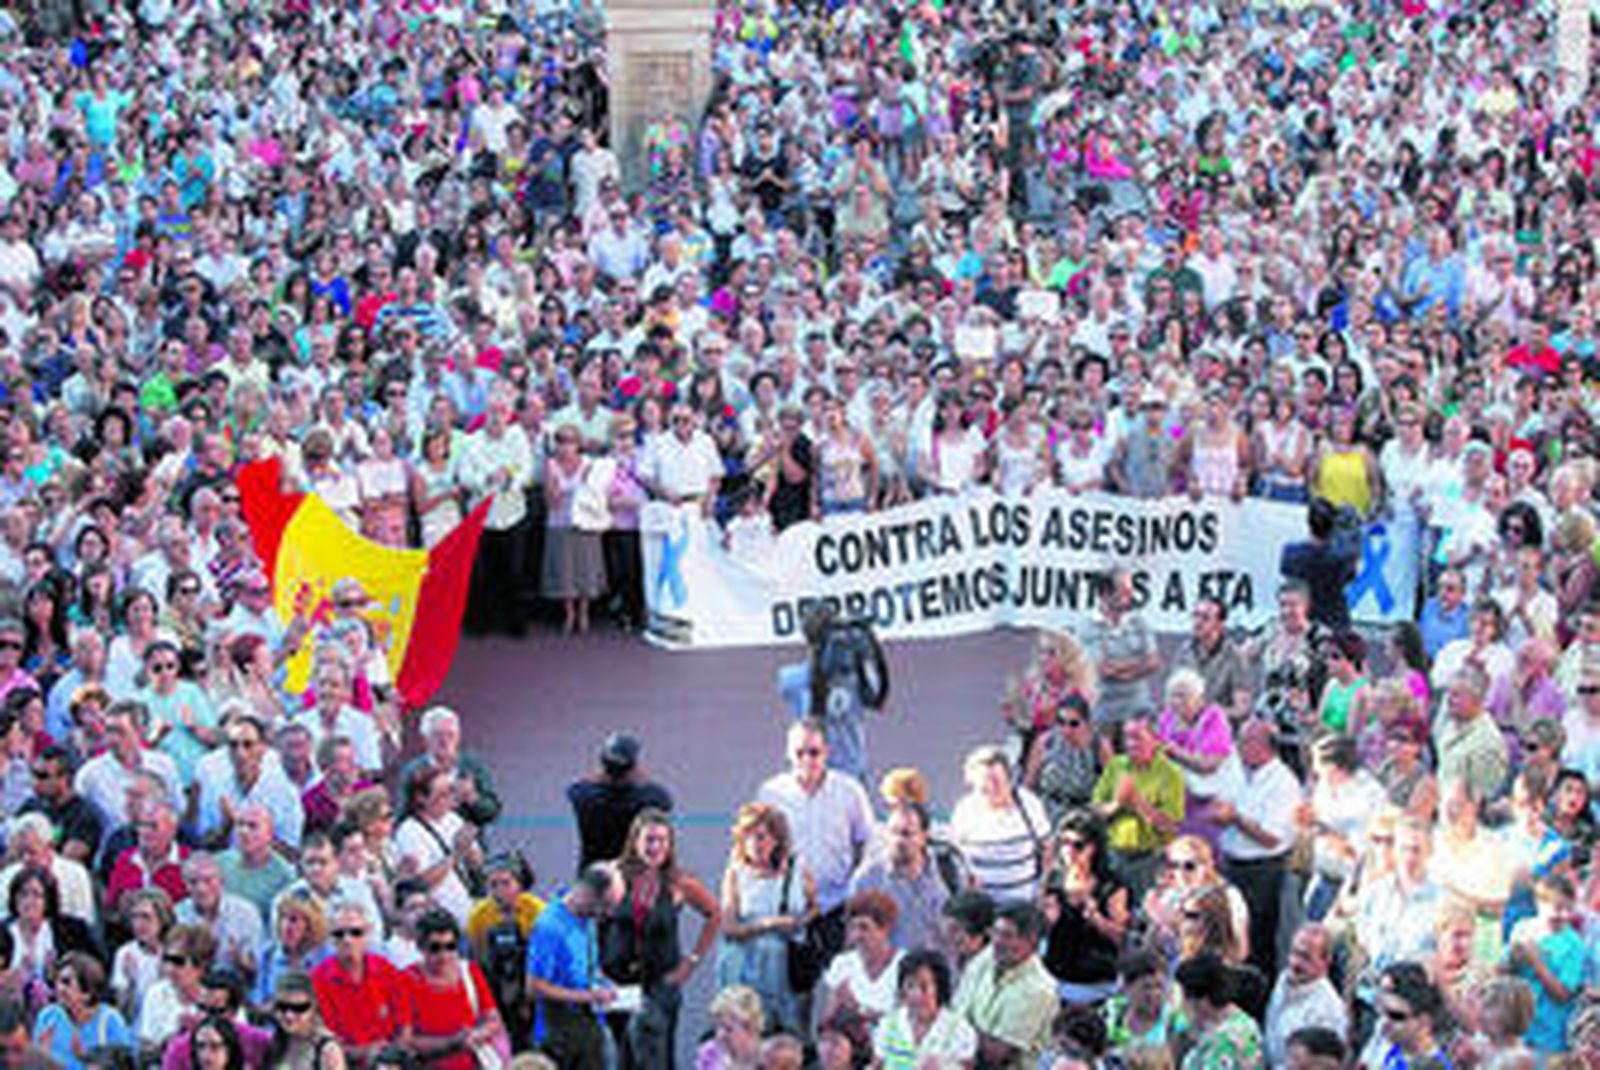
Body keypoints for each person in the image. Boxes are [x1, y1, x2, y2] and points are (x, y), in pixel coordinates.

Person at [602, 808, 720, 1069]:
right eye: (649, 840)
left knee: (657, 1057)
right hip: (620, 982)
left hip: (661, 983)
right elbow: (588, 918)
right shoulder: (613, 875)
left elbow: (714, 913)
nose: (655, 847)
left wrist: (691, 960)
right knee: (625, 1057)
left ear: (670, 845)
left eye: (661, 840)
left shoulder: (680, 882)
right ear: (635, 842)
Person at [756, 719, 875, 972]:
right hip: (792, 908)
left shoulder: (849, 791)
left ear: (827, 752)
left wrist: (854, 886)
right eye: (799, 752)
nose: (807, 759)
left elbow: (865, 841)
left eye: (814, 752)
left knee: (839, 981)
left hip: (836, 905)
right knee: (795, 988)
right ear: (788, 754)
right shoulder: (771, 794)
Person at [716, 802, 811, 1036]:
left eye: (760, 837)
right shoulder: (736, 873)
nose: (753, 844)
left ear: (777, 839)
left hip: (787, 969)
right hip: (746, 969)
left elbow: (814, 907)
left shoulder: (797, 868)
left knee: (787, 1037)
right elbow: (728, 928)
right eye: (746, 837)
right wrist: (770, 924)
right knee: (749, 1035)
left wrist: (801, 921)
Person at [1216, 719, 1301, 980]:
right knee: (1227, 937)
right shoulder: (1234, 767)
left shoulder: (1283, 783)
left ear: (1263, 746)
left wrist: (1236, 819)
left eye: (1243, 741)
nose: (1237, 747)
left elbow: (1273, 838)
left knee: (1257, 942)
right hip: (1230, 863)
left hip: (1262, 872)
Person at [950, 901, 1056, 1070]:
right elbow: (956, 1010)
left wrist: (951, 1028)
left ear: (1032, 943)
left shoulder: (1039, 989)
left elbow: (995, 1055)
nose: (997, 941)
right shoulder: (989, 955)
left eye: (1007, 935)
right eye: (995, 932)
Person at [399, 907, 508, 1070]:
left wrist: (477, 1035)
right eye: (435, 948)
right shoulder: (406, 982)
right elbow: (406, 1042)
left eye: (450, 946)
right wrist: (452, 1042)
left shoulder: (469, 973)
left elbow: (494, 1020)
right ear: (420, 947)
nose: (444, 956)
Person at [1040, 808, 1129, 1005]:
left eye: (1078, 845)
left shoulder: (1110, 884)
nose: (1068, 851)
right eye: (1064, 843)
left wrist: (1096, 919)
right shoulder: (1054, 879)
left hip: (1096, 983)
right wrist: (1047, 919)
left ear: (1094, 848)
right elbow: (1039, 930)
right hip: (1058, 979)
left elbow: (1121, 937)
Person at [1091, 718, 1184, 898]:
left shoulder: (1171, 773)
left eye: (1137, 738)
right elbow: (1095, 808)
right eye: (1127, 738)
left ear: (1155, 740)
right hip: (1114, 856)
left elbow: (1172, 826)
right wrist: (1116, 805)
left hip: (1149, 861)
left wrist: (1137, 802)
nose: (1131, 744)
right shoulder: (1116, 765)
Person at [310, 900, 411, 1066]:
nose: (347, 940)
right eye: (339, 934)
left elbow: (405, 1026)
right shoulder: (318, 980)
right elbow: (326, 1043)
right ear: (330, 938)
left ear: (368, 934)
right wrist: (367, 1052)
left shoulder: (387, 971)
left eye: (355, 932)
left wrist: (391, 1057)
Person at [948, 745, 1051, 904]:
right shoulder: (964, 810)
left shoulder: (1029, 804)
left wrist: (1042, 888)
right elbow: (956, 856)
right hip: (982, 906)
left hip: (1024, 904)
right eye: (984, 783)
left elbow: (1048, 849)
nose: (991, 787)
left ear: (1009, 780)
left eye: (997, 781)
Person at [567, 733, 675, 870]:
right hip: (632, 874)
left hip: (593, 872)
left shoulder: (581, 796)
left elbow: (580, 785)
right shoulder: (653, 799)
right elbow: (662, 796)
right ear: (633, 767)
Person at [871, 950, 978, 1068]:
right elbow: (876, 1066)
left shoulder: (959, 1030)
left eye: (924, 987)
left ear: (939, 989)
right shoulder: (888, 1025)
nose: (916, 994)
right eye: (910, 986)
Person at [31, 951, 135, 1069]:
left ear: (87, 992)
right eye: (57, 981)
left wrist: (82, 1057)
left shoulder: (111, 1021)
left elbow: (125, 1065)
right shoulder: (48, 1016)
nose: (59, 988)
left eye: (66, 982)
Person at [1263, 926, 1347, 1068]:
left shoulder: (1328, 1011)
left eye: (1305, 957)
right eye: (1294, 953)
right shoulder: (1284, 979)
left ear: (1325, 963)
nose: (1295, 962)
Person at [1174, 952, 1263, 1070]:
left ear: (1202, 1001)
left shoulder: (1229, 1039)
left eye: (1185, 997)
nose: (1182, 1003)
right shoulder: (1210, 1025)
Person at [1278, 498, 1356, 629]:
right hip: (1334, 621)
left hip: (1303, 618)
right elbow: (1350, 577)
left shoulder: (1291, 552)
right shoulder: (1342, 556)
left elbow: (1285, 571)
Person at [263, 971, 347, 1070]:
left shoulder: (328, 1050)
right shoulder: (277, 1041)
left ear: (313, 1009)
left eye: (299, 1008)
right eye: (282, 1007)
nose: (289, 1016)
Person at [695, 984, 765, 1070]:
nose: (720, 1035)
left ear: (750, 1028)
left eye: (728, 1029)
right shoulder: (710, 1054)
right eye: (717, 1027)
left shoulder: (772, 1060)